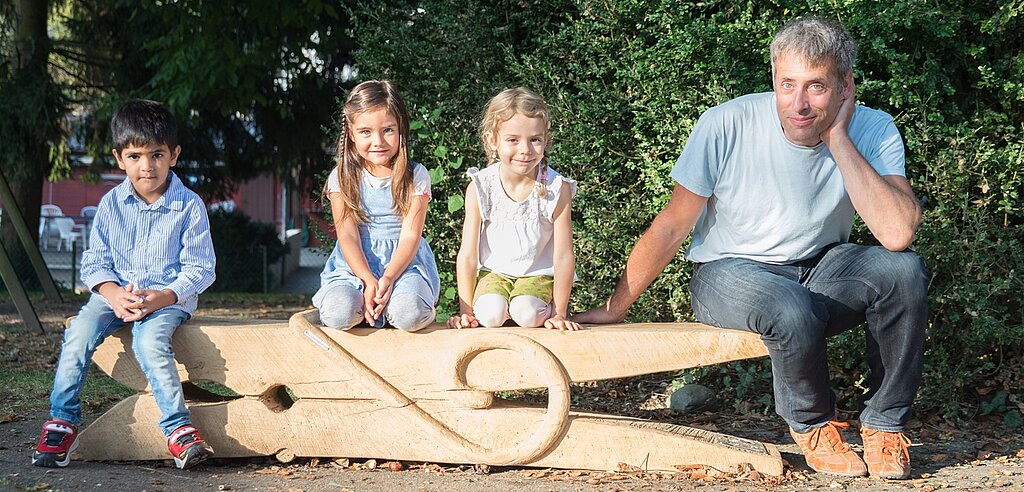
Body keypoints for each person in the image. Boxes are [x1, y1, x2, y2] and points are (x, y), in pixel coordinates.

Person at [574, 17, 927, 480]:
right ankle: (814, 424)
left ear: (845, 88)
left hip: (820, 268)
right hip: (728, 273)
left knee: (903, 271)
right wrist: (615, 308)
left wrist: (838, 138)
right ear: (774, 80)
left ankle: (883, 425)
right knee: (789, 305)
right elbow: (672, 225)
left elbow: (897, 232)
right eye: (787, 85)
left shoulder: (873, 128)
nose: (799, 104)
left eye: (817, 87)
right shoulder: (726, 123)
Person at [33, 99, 217, 469]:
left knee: (150, 343)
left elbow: (201, 268)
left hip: (167, 299)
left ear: (174, 155)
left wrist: (163, 296)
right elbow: (95, 262)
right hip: (115, 296)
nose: (146, 166)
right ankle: (62, 420)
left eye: (156, 155)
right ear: (120, 158)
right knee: (78, 333)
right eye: (135, 156)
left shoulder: (189, 206)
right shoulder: (110, 205)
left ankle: (178, 431)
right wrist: (112, 293)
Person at [447, 87, 581, 331]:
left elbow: (563, 255)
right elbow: (468, 253)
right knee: (489, 315)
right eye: (512, 140)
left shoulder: (555, 189)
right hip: (494, 274)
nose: (525, 150)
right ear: (492, 140)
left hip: (537, 276)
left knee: (527, 314)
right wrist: (465, 312)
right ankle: (501, 308)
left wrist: (560, 313)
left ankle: (542, 307)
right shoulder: (480, 187)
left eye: (535, 140)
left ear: (545, 140)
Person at [313, 80, 440, 332]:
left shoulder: (416, 175)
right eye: (366, 132)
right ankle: (363, 308)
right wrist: (368, 280)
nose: (378, 141)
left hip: (403, 267)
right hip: (353, 267)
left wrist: (389, 277)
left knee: (408, 314)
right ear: (351, 133)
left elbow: (410, 235)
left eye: (388, 130)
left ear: (401, 128)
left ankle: (397, 307)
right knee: (339, 314)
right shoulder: (341, 177)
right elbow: (347, 235)